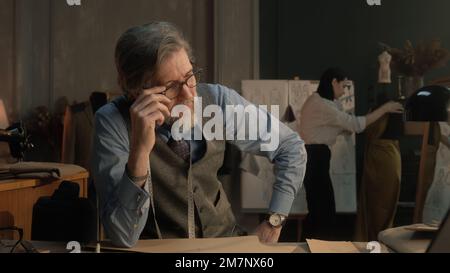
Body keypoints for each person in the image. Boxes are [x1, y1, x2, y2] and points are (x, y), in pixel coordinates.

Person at [91, 22, 307, 247]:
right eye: (172, 86)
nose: (189, 94)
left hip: (226, 245)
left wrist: (275, 221)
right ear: (137, 91)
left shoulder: (218, 101)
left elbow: (291, 147)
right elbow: (123, 235)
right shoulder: (112, 122)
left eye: (190, 76)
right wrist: (139, 151)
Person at [299, 67, 403, 240]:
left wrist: (346, 125)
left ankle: (310, 247)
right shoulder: (321, 104)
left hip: (316, 157)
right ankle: (311, 248)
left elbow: (338, 127)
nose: (344, 90)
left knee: (320, 211)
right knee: (323, 212)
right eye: (343, 85)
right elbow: (355, 125)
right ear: (333, 82)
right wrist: (385, 109)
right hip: (315, 157)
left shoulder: (322, 102)